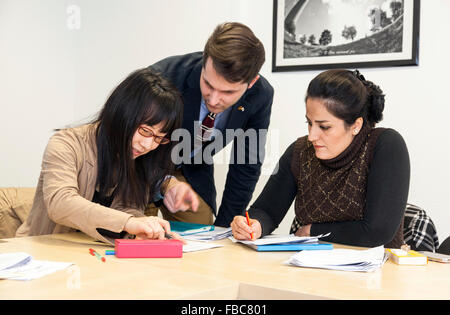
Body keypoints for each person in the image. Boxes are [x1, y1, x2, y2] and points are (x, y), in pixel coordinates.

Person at [14, 68, 199, 244]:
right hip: (41, 252)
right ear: (122, 114)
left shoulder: (140, 160)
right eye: (145, 131)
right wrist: (128, 222)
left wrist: (148, 230)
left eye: (160, 138)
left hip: (93, 258)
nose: (148, 145)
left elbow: (128, 209)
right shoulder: (66, 143)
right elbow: (61, 202)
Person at [231, 69, 410, 248]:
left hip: (376, 269)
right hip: (311, 265)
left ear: (356, 125)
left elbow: (377, 232)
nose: (312, 136)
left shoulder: (385, 145)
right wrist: (253, 225)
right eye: (309, 123)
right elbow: (266, 210)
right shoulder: (300, 152)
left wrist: (312, 231)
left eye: (324, 127)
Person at [147, 22, 274, 227]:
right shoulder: (163, 77)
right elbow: (126, 142)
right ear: (205, 62)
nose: (214, 100)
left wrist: (226, 228)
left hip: (190, 169)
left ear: (251, 83)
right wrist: (165, 183)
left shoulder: (260, 96)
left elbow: (246, 164)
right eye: (208, 84)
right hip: (140, 165)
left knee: (203, 234)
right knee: (138, 235)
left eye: (228, 92)